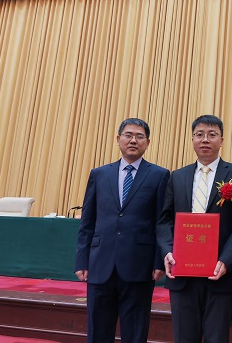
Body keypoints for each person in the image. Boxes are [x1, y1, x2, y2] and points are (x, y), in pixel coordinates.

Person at [156, 114, 232, 343]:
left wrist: (227, 260)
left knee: (216, 338)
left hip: (220, 274)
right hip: (182, 273)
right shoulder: (177, 177)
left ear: (222, 140)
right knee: (184, 337)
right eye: (199, 134)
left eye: (212, 134)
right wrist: (167, 251)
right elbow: (164, 220)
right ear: (192, 139)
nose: (205, 139)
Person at [75, 118, 170, 343]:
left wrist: (158, 261)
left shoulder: (159, 175)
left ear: (148, 142)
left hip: (139, 265)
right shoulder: (99, 174)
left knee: (135, 332)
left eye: (139, 136)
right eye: (128, 135)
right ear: (118, 139)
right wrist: (82, 260)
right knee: (98, 330)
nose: (133, 140)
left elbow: (162, 222)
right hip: (100, 263)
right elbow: (88, 221)